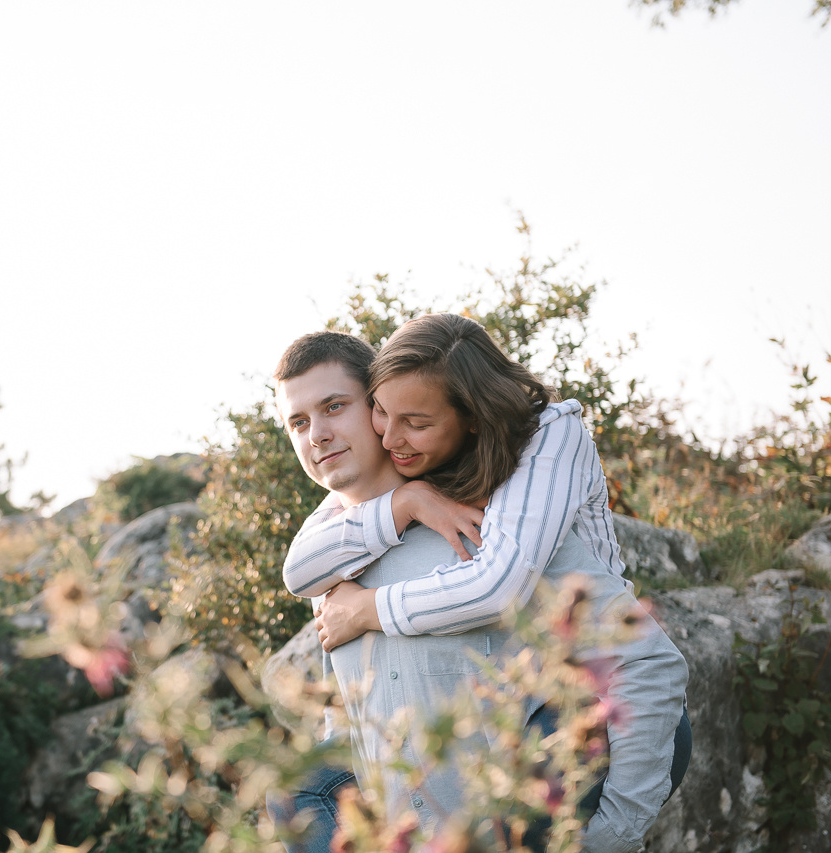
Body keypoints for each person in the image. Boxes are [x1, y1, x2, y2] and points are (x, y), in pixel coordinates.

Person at [267, 321, 690, 853]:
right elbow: (354, 733)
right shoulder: (331, 568)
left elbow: (644, 664)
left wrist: (610, 838)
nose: (317, 435)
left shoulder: (495, 524)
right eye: (297, 422)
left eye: (334, 407)